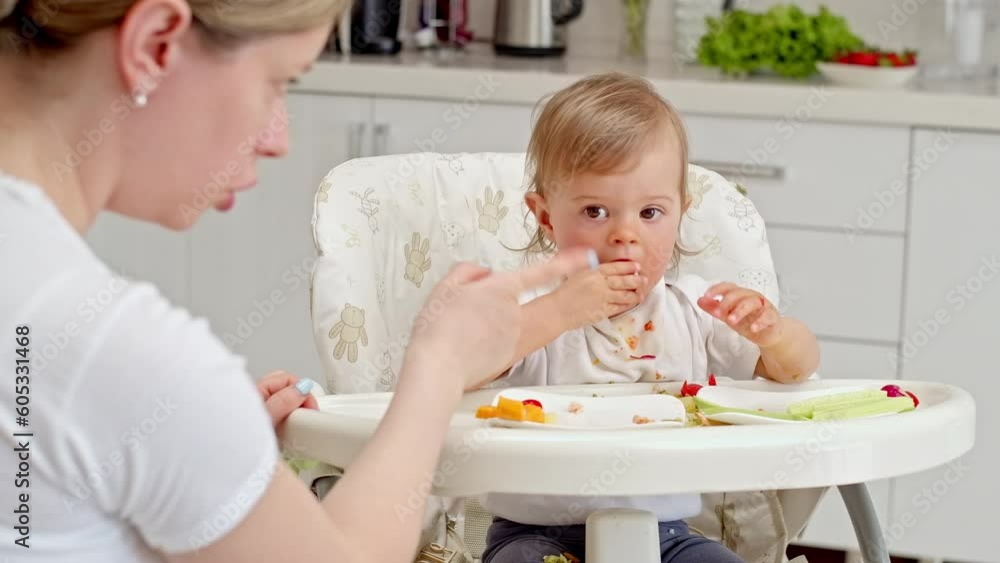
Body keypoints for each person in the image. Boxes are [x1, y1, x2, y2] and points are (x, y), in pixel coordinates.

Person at [0, 1, 594, 561]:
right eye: (277, 82)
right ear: (154, 44)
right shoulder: (112, 346)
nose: (279, 138)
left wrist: (206, 460)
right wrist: (438, 369)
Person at [478, 73, 822, 563]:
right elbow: (463, 365)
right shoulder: (533, 308)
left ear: (681, 210)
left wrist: (774, 333)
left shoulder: (692, 309)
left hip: (668, 536)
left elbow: (795, 371)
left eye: (651, 213)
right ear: (545, 216)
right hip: (536, 533)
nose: (625, 234)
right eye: (595, 211)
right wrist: (559, 310)